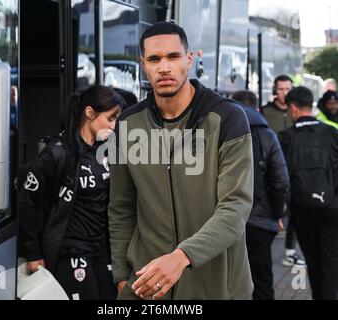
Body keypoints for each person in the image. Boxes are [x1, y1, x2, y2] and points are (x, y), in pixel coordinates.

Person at [108, 22, 254, 300]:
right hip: (146, 287)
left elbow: (235, 208)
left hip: (217, 287)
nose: (164, 67)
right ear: (143, 64)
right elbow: (121, 207)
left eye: (173, 57)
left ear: (189, 59)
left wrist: (182, 256)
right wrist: (120, 276)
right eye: (154, 59)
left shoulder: (227, 118)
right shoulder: (127, 124)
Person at [18, 85, 124, 300]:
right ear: (89, 113)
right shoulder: (57, 153)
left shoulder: (106, 150)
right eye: (110, 118)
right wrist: (33, 252)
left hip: (102, 249)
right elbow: (27, 201)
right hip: (70, 252)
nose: (114, 125)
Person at [279, 86, 338, 300]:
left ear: (292, 108)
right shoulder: (332, 132)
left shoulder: (285, 137)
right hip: (333, 209)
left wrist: (279, 211)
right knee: (331, 265)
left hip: (303, 212)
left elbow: (280, 179)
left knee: (313, 263)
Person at [233, 90, 289, 300]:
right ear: (256, 108)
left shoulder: (220, 129)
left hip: (225, 223)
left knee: (226, 282)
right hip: (260, 221)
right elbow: (280, 180)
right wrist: (277, 213)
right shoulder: (267, 135)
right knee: (262, 280)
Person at [262, 75, 305, 267]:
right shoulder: (265, 111)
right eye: (281, 89)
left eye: (288, 89)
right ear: (274, 90)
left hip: (294, 169)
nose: (284, 93)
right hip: (271, 171)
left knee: (295, 210)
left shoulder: (296, 113)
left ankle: (290, 252)